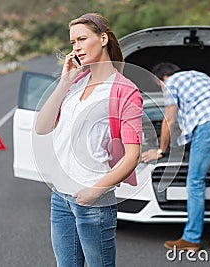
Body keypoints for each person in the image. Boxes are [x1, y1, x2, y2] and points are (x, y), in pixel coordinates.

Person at [35, 13, 143, 267]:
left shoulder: (124, 91)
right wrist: (65, 81)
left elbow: (132, 156)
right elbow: (42, 126)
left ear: (103, 38)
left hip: (93, 199)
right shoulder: (75, 83)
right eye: (73, 43)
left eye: (82, 39)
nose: (76, 47)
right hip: (60, 196)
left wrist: (93, 192)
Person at [142, 63, 210, 251]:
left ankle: (191, 239)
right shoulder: (200, 74)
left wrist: (160, 150)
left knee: (195, 181)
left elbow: (169, 120)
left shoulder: (171, 83)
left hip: (209, 126)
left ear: (161, 79)